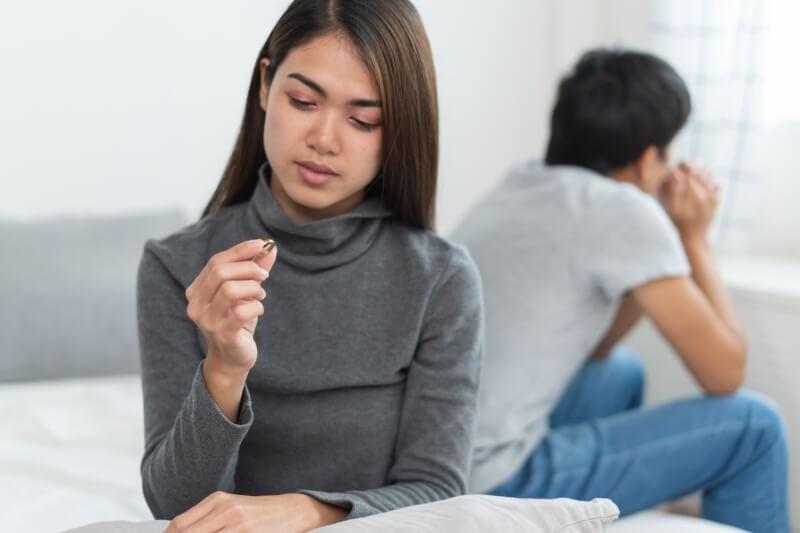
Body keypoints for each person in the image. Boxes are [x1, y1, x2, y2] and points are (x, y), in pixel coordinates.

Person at [136, 1, 484, 531]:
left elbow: (437, 490)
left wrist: (303, 509)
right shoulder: (176, 265)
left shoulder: (441, 279)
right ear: (264, 86)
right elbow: (174, 507)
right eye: (303, 100)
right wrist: (225, 367)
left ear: (398, 130)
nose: (324, 138)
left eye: (362, 119)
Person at [450, 49, 788, 532]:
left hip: (449, 455)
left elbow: (597, 345)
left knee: (619, 371)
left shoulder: (521, 181)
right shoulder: (623, 210)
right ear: (649, 158)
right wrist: (694, 238)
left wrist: (655, 257)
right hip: (499, 481)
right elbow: (725, 375)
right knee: (756, 427)